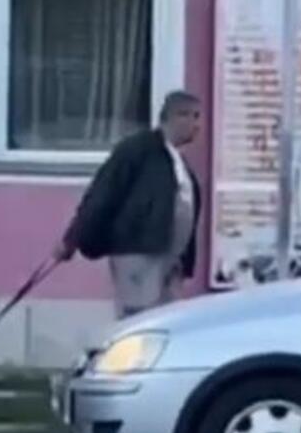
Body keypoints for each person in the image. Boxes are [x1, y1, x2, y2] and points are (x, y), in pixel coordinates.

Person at [53, 91, 202, 319]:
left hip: (170, 259)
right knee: (139, 319)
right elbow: (103, 194)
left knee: (166, 321)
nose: (198, 125)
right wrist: (72, 240)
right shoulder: (138, 150)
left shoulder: (176, 160)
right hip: (139, 256)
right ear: (177, 116)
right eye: (194, 116)